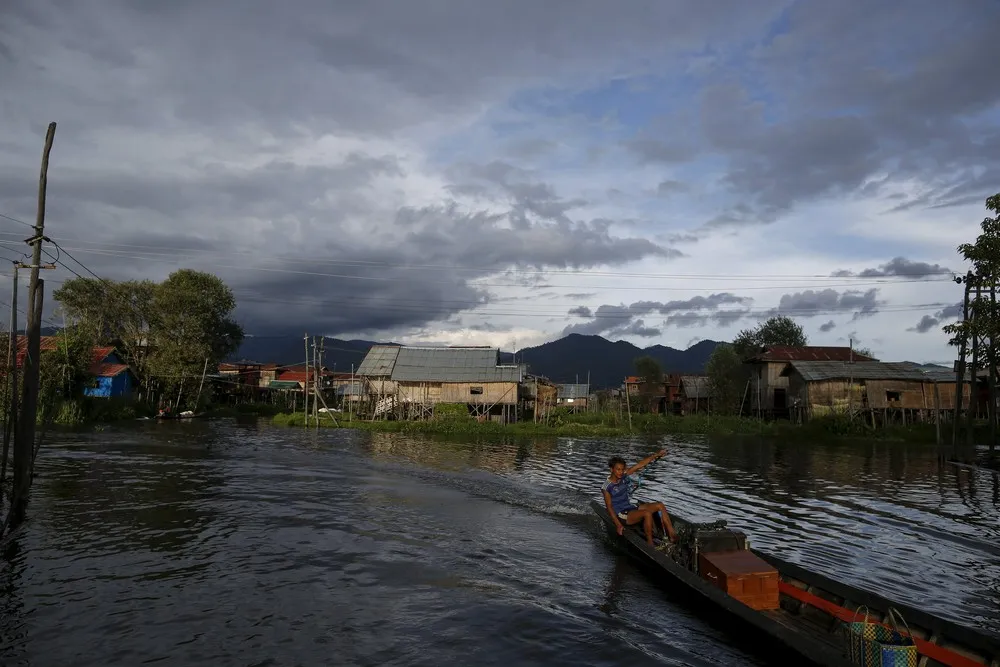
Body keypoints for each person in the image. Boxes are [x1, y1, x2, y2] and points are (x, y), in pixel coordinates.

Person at [602, 449, 677, 546]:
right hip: (620, 514)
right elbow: (609, 507)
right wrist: (618, 525)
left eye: (622, 469)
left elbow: (639, 465)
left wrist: (656, 455)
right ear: (611, 469)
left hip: (630, 508)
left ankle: (672, 536)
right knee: (647, 514)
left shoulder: (623, 476)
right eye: (618, 469)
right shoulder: (607, 486)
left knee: (660, 505)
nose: (620, 472)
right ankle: (650, 545)